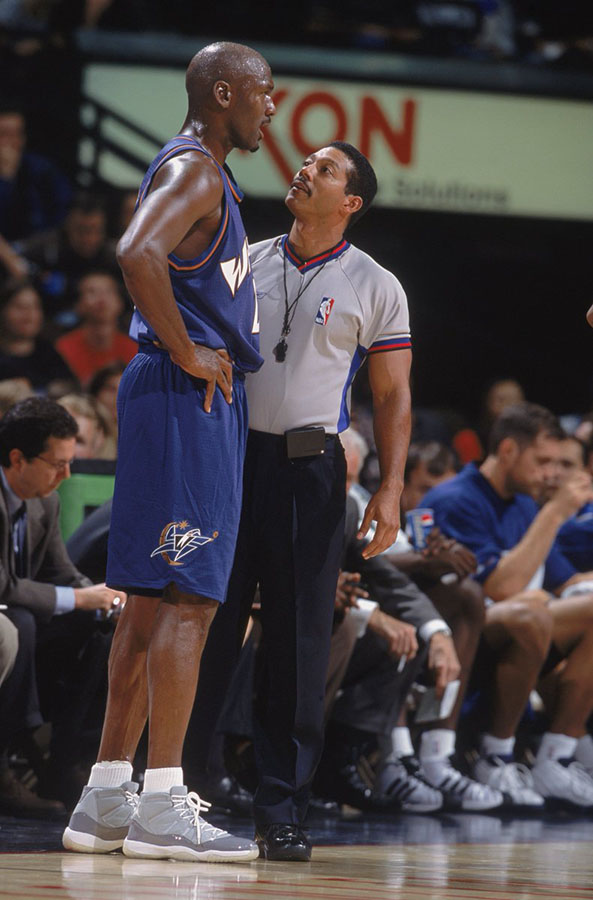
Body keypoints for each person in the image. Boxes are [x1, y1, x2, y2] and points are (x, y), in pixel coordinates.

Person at [63, 41, 275, 863]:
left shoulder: (187, 167)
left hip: (166, 397)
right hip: (185, 398)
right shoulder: (196, 172)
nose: (271, 107)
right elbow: (135, 251)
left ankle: (106, 795)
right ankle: (161, 802)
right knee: (189, 600)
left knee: (149, 599)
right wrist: (190, 351)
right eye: (262, 92)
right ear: (223, 93)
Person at [190, 141, 412, 861]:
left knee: (296, 641)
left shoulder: (376, 284)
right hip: (228, 459)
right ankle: (181, 787)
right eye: (306, 163)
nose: (304, 171)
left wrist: (390, 485)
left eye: (324, 169)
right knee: (206, 625)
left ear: (350, 202)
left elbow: (392, 395)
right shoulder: (242, 259)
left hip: (308, 467)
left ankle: (281, 807)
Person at [423, 402, 593, 808]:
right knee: (529, 612)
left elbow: (567, 581)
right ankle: (494, 755)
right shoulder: (456, 498)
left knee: (552, 609)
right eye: (543, 460)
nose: (552, 473)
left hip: (517, 630)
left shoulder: (522, 503)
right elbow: (499, 589)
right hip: (457, 638)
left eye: (558, 462)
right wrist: (555, 513)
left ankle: (557, 754)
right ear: (510, 451)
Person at [0, 396, 122, 817]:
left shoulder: (44, 500)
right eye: (57, 464)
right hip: (13, 618)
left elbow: (62, 572)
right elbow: (2, 584)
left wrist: (103, 599)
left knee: (101, 629)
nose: (67, 475)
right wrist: (79, 598)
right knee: (19, 624)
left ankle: (68, 761)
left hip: (24, 618)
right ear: (17, 459)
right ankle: (9, 761)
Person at [0, 279, 75, 391]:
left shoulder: (50, 353)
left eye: (35, 307)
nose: (29, 315)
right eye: (20, 307)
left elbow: (69, 388)